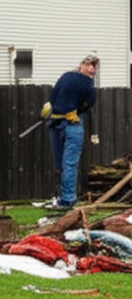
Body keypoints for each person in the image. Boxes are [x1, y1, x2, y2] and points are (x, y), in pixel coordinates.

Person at [47, 55, 99, 209]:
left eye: (93, 68)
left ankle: (65, 197)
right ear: (81, 66)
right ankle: (68, 199)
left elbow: (53, 97)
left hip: (55, 122)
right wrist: (77, 110)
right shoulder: (88, 84)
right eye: (89, 66)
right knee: (68, 164)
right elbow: (90, 103)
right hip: (72, 124)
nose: (91, 70)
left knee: (61, 164)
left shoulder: (65, 77)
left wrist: (56, 108)